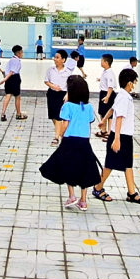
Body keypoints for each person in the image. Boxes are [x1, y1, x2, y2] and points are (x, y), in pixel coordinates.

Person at [39, 75, 102, 212]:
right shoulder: (88, 107)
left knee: (69, 166)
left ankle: (72, 195)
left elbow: (64, 125)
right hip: (84, 141)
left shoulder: (67, 106)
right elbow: (90, 122)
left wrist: (61, 134)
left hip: (69, 140)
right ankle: (83, 201)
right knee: (84, 168)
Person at [92, 68, 140, 206]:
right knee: (110, 164)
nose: (135, 84)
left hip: (125, 136)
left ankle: (131, 193)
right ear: (129, 83)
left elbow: (112, 109)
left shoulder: (122, 95)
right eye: (134, 82)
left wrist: (103, 120)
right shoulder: (123, 97)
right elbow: (119, 118)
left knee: (128, 164)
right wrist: (116, 138)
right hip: (120, 136)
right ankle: (98, 188)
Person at [45, 50, 75, 146]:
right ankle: (63, 133)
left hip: (62, 95)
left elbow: (71, 86)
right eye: (55, 57)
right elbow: (46, 81)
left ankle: (56, 137)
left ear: (63, 60)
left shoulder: (68, 72)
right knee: (53, 116)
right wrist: (53, 86)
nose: (55, 59)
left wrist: (67, 95)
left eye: (57, 57)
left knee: (58, 116)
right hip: (51, 93)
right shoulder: (50, 70)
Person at [0, 45, 27, 121]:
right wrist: (4, 79)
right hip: (14, 78)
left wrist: (5, 79)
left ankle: (3, 113)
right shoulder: (17, 61)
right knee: (17, 96)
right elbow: (12, 71)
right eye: (22, 52)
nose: (22, 54)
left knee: (8, 95)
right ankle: (18, 114)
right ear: (18, 53)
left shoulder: (11, 60)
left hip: (9, 79)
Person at [95, 53, 115, 138]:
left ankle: (109, 132)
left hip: (107, 94)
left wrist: (107, 96)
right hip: (103, 92)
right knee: (102, 112)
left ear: (106, 62)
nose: (101, 62)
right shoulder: (105, 71)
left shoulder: (110, 73)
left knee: (109, 114)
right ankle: (103, 130)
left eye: (102, 60)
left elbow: (110, 86)